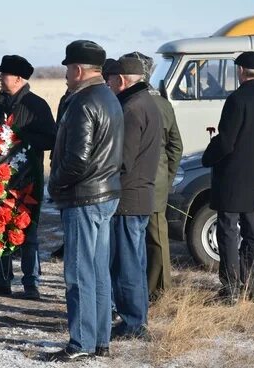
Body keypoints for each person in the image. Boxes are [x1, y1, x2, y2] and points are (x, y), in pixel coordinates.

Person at [45, 40, 123, 361]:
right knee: (99, 269)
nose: (65, 75)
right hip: (105, 195)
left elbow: (77, 159)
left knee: (78, 273)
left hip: (83, 198)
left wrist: (56, 181)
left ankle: (82, 343)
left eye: (67, 69)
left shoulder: (83, 102)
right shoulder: (109, 97)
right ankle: (100, 341)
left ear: (77, 70)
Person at [0, 55, 56, 300]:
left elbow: (50, 139)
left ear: (18, 78)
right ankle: (2, 281)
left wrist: (21, 139)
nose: (0, 78)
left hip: (26, 180)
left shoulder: (36, 105)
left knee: (27, 231)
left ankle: (31, 284)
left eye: (4, 74)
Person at [202, 52, 254, 304]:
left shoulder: (237, 98)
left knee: (228, 231)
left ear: (242, 71)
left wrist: (208, 156)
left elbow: (226, 141)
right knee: (253, 230)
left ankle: (231, 287)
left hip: (232, 175)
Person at [106, 56, 162, 339]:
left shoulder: (131, 108)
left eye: (112, 78)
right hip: (141, 196)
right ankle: (136, 319)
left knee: (127, 264)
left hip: (128, 198)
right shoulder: (148, 102)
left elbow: (123, 160)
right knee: (135, 262)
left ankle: (132, 323)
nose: (109, 83)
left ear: (122, 79)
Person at [122, 52, 183, 301]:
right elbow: (176, 146)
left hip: (141, 181)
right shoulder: (161, 103)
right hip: (155, 181)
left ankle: (159, 288)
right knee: (155, 238)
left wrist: (166, 178)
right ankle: (154, 287)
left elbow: (174, 146)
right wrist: (166, 178)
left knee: (152, 238)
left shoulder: (134, 103)